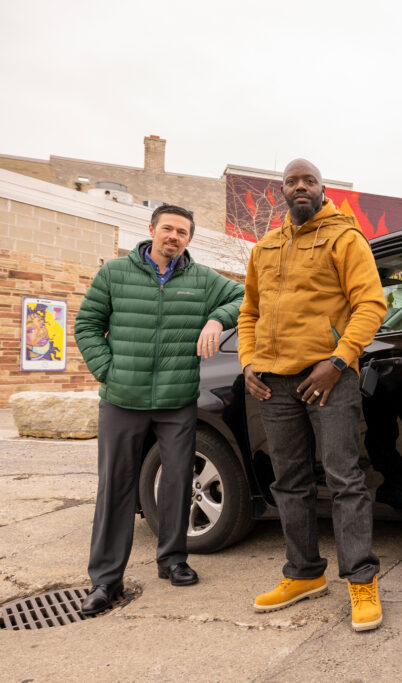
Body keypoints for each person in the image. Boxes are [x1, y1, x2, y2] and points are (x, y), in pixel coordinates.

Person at [237, 158, 388, 631]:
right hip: (273, 383)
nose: (300, 186)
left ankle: (361, 579)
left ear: (323, 190)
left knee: (345, 480)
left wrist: (338, 361)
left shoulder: (345, 238)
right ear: (281, 191)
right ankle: (303, 573)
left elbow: (371, 305)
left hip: (330, 379)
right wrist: (247, 362)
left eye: (309, 181)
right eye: (292, 181)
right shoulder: (265, 247)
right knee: (289, 482)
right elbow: (248, 312)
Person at [74, 204, 244, 616]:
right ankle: (105, 579)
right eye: (167, 228)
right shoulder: (115, 273)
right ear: (151, 229)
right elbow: (87, 325)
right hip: (121, 400)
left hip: (177, 400)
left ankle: (172, 560)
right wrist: (109, 372)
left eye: (182, 232)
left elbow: (244, 296)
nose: (173, 236)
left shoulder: (203, 279)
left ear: (189, 239)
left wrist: (217, 319)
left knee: (177, 482)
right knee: (115, 487)